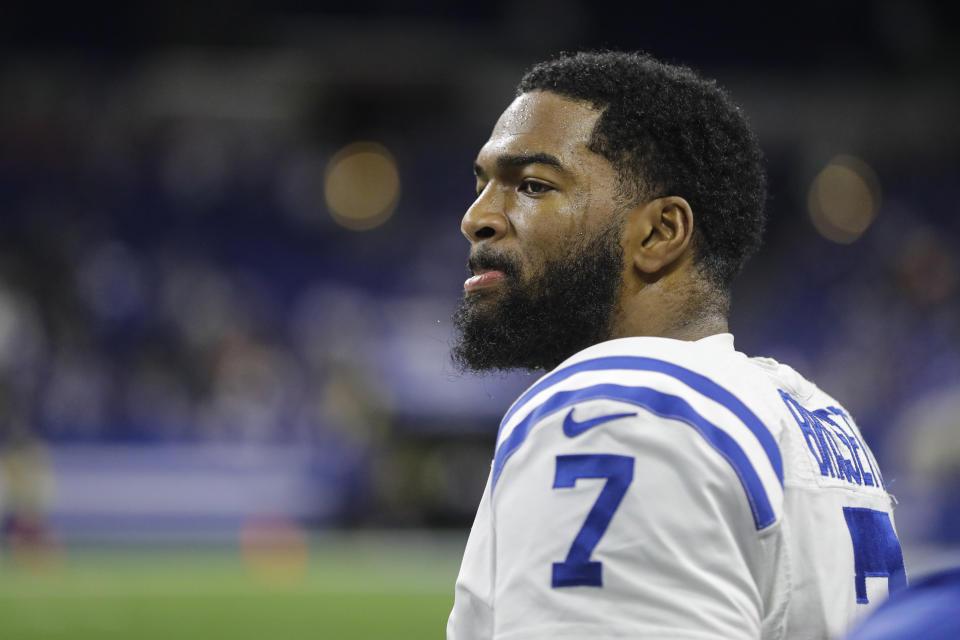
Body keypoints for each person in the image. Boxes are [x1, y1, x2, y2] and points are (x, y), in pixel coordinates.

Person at [447, 51, 905, 640]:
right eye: (482, 185)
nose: (476, 218)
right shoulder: (816, 417)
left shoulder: (619, 408)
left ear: (661, 232)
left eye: (532, 185)